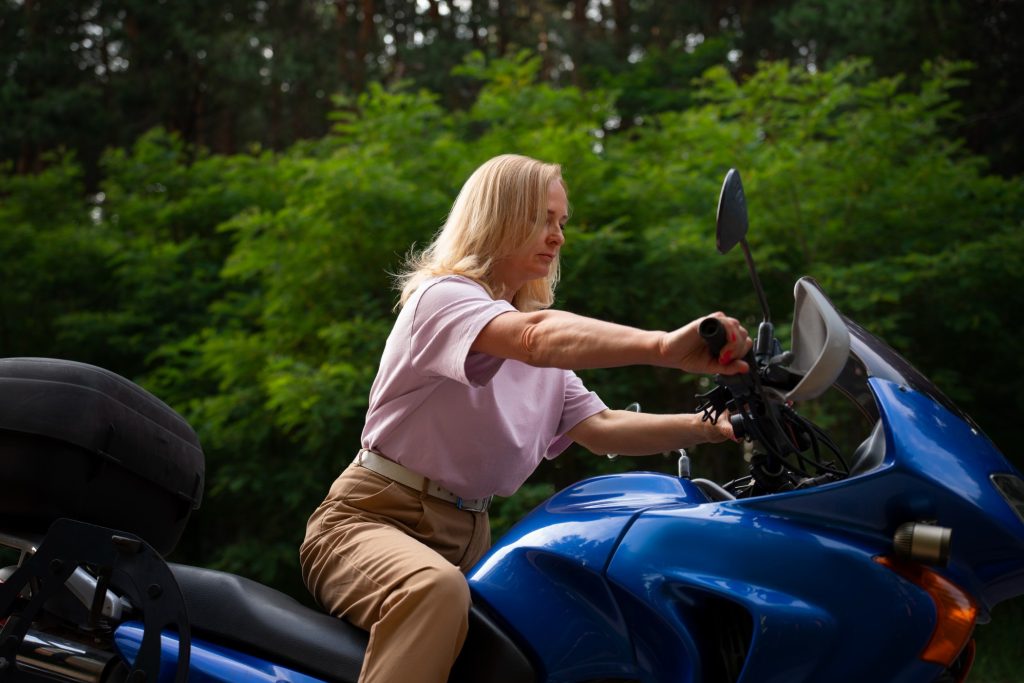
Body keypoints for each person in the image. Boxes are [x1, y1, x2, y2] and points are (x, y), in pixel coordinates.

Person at [299, 153, 753, 683]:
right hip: (370, 519)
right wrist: (662, 346)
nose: (558, 236)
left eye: (561, 222)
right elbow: (535, 339)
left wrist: (717, 424)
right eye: (543, 217)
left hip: (469, 536)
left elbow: (602, 427)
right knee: (432, 593)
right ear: (498, 215)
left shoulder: (537, 348)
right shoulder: (443, 299)